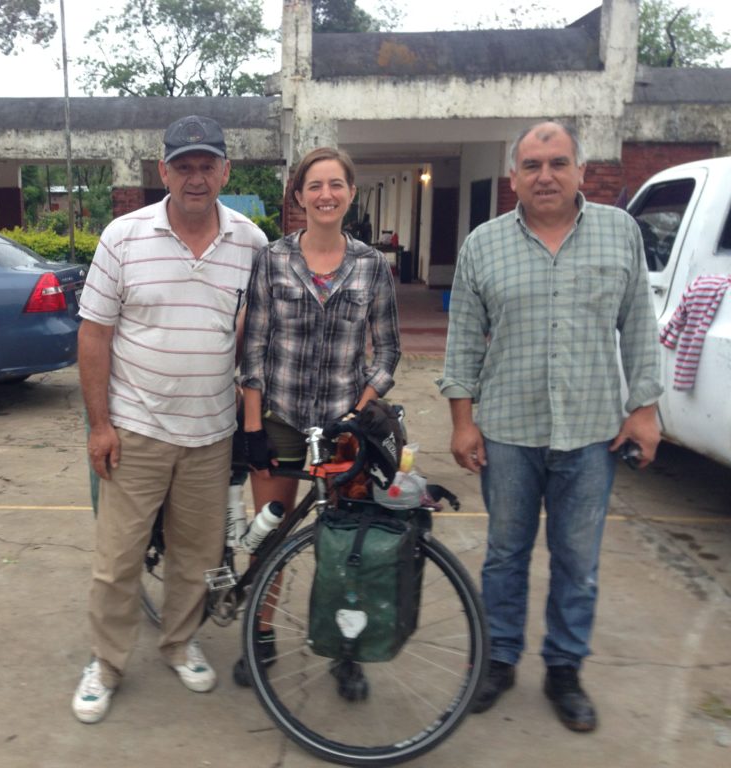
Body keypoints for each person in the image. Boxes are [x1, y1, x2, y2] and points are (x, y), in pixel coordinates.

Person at [438, 121, 663, 732]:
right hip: (509, 429)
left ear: (580, 173)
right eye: (533, 165)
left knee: (577, 560)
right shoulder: (483, 245)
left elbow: (639, 324)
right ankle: (500, 658)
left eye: (558, 163)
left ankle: (565, 667)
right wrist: (463, 423)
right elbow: (462, 345)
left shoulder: (620, 234)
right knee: (505, 555)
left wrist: (644, 409)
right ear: (514, 177)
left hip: (592, 431)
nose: (545, 176)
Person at [72, 115, 268, 724]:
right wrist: (101, 425)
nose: (196, 177)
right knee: (118, 559)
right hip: (136, 430)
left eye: (207, 165)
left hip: (212, 434)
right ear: (163, 172)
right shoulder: (123, 237)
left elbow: (255, 336)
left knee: (196, 555)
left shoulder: (252, 244)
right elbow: (94, 333)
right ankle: (105, 664)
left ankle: (180, 643)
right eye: (183, 166)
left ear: (225, 171)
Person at [237, 146, 401, 684]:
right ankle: (260, 635)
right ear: (299, 196)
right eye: (314, 186)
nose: (325, 194)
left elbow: (389, 353)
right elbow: (254, 350)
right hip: (281, 416)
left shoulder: (373, 266)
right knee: (271, 534)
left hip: (343, 427)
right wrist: (253, 427)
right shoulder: (273, 260)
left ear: (351, 193)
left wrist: (359, 413)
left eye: (336, 184)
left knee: (346, 543)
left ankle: (344, 648)